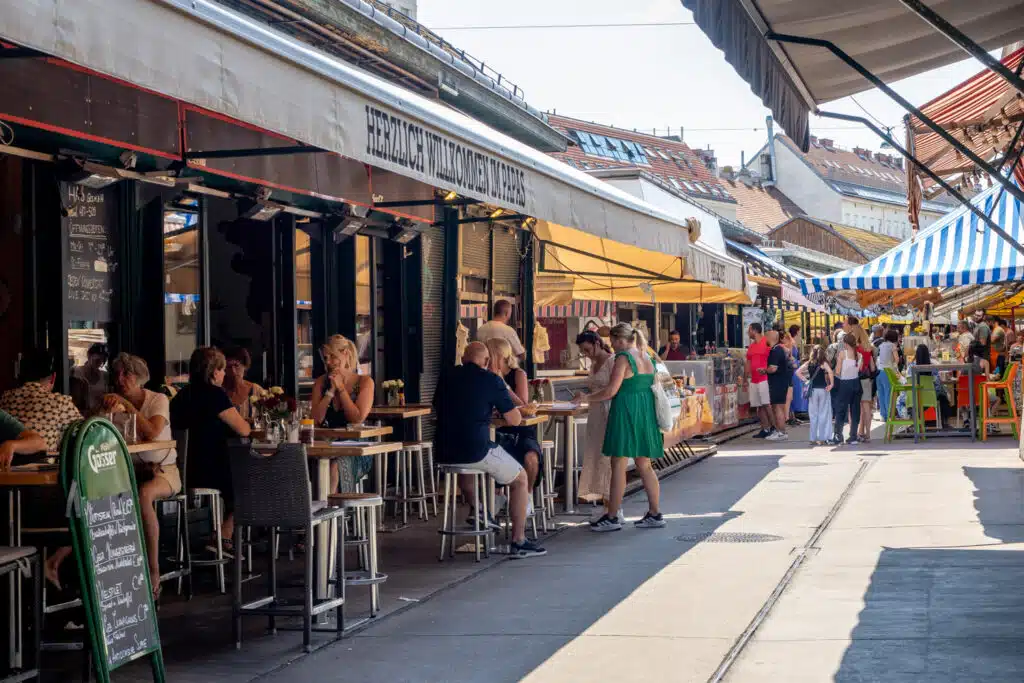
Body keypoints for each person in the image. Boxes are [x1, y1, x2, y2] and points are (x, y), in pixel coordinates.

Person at [433, 342, 545, 558]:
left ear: (464, 359)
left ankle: (481, 509)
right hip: (476, 449)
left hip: (444, 451)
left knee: (465, 469)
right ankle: (519, 540)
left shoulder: (446, 376)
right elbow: (515, 419)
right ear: (486, 362)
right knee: (520, 478)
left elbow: (438, 406)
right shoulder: (492, 380)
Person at [96, 354, 178, 596]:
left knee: (144, 495)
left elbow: (152, 432)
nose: (121, 379)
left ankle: (153, 570)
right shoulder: (112, 403)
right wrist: (103, 410)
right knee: (98, 499)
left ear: (139, 378)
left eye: (127, 374)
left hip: (163, 471)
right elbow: (93, 433)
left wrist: (129, 406)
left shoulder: (158, 399)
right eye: (118, 373)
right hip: (126, 472)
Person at [575, 323, 665, 531]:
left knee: (618, 464)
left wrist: (587, 398)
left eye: (613, 342)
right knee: (645, 464)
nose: (612, 347)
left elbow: (610, 391)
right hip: (645, 412)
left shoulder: (623, 358)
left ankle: (613, 516)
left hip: (626, 411)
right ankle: (655, 512)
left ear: (618, 340)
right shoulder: (647, 356)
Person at [169, 347, 251, 549]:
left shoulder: (181, 396)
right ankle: (224, 534)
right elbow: (244, 429)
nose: (224, 374)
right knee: (249, 481)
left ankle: (217, 534)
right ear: (215, 372)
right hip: (211, 472)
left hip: (183, 472)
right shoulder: (215, 395)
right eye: (222, 370)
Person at [311, 335, 374, 493]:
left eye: (333, 357)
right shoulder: (321, 382)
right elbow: (316, 419)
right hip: (327, 444)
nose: (329, 363)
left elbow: (357, 418)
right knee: (303, 463)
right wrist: (331, 392)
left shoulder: (364, 382)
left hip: (356, 448)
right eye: (326, 358)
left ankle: (330, 513)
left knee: (335, 465)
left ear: (345, 353)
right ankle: (309, 512)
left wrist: (341, 389)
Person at [485, 338, 542, 497]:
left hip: (519, 429)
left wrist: (502, 384)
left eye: (489, 355)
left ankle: (527, 496)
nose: (487, 360)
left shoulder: (518, 374)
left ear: (500, 356)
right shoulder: (486, 377)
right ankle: (494, 497)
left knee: (531, 457)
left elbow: (523, 405)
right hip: (496, 429)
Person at [0, 350, 82, 452]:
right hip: (43, 465)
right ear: (53, 378)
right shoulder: (60, 402)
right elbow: (86, 434)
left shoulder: (5, 398)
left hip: (7, 463)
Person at [575, 331, 614, 504]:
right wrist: (583, 395)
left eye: (587, 349)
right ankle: (604, 504)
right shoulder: (593, 363)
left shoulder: (612, 361)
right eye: (583, 351)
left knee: (608, 460)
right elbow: (594, 389)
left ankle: (612, 506)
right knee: (597, 458)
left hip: (609, 412)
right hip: (596, 414)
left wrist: (588, 398)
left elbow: (612, 389)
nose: (585, 354)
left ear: (597, 343)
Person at [796, 346, 834, 445]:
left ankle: (812, 438)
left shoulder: (809, 363)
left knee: (813, 415)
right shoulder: (823, 363)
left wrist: (806, 381)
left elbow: (797, 372)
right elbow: (830, 371)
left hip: (812, 391)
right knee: (823, 414)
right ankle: (821, 438)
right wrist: (831, 384)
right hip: (823, 390)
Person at [832, 334, 864, 445]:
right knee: (855, 411)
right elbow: (859, 369)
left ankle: (838, 435)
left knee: (841, 410)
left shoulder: (842, 354)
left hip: (844, 383)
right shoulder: (859, 355)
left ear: (845, 343)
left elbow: (838, 370)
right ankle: (853, 436)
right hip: (856, 383)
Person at [911, 344, 953, 427]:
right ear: (928, 354)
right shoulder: (932, 367)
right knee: (943, 396)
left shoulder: (911, 367)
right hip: (931, 397)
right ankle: (944, 423)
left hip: (915, 397)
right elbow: (937, 384)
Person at [745, 323, 775, 438]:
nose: (748, 333)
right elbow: (748, 362)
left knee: (766, 404)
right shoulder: (752, 346)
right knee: (759, 406)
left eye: (749, 330)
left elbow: (774, 355)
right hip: (754, 380)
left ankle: (773, 427)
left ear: (754, 330)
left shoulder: (766, 342)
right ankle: (765, 428)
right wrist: (744, 378)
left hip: (764, 378)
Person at [222, 347, 267, 422]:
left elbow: (268, 419)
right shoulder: (219, 391)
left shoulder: (256, 390)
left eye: (236, 366)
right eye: (229, 367)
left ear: (245, 366)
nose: (233, 371)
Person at [765, 329, 791, 441]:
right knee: (778, 407)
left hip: (777, 383)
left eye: (766, 336)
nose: (765, 338)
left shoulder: (775, 351)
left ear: (771, 338)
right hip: (781, 382)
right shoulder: (779, 349)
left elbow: (773, 368)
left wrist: (764, 370)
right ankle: (781, 431)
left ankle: (781, 432)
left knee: (777, 408)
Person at [70, 342, 109, 414]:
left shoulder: (105, 376)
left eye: (103, 360)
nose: (100, 362)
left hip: (99, 415)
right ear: (89, 355)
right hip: (79, 413)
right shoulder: (75, 371)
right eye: (97, 359)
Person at [876, 329, 900, 419]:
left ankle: (884, 415)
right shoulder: (892, 346)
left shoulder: (881, 345)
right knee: (888, 393)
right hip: (888, 372)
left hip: (879, 372)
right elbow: (897, 359)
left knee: (881, 393)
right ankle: (890, 414)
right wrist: (894, 367)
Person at [786, 325, 805, 426]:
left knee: (793, 393)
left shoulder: (791, 341)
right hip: (793, 369)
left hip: (795, 369)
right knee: (792, 393)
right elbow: (791, 356)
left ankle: (792, 415)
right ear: (797, 332)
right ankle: (790, 416)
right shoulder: (791, 342)